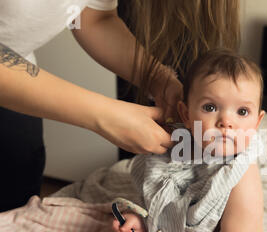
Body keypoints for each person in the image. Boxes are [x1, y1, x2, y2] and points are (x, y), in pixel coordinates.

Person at [42, 49, 267, 232]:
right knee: (126, 225)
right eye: (210, 107)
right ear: (186, 114)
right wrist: (140, 221)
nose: (226, 121)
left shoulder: (242, 177)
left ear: (257, 123)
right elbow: (161, 202)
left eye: (242, 112)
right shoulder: (180, 149)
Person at [0, 0, 240, 212]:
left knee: (15, 200)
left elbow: (92, 19)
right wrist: (104, 116)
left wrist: (159, 79)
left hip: (20, 80)